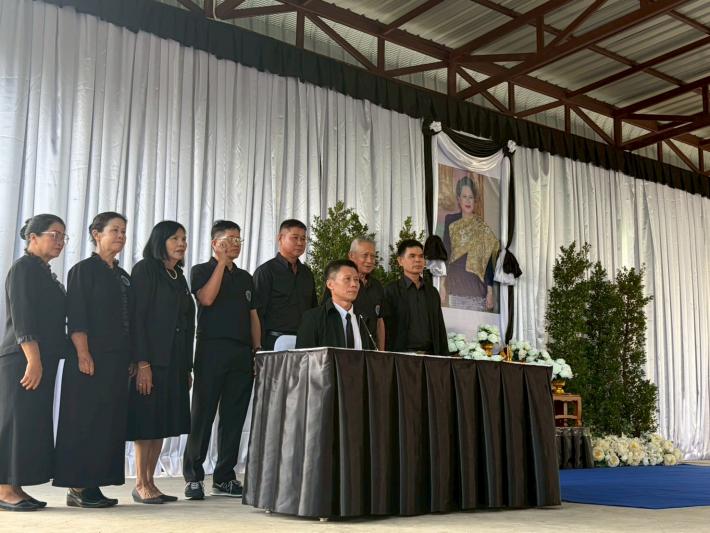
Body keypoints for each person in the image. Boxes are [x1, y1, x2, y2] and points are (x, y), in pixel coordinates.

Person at [53, 212, 132, 508]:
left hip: (116, 360)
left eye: (123, 231)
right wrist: (83, 353)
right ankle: (77, 486)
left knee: (107, 423)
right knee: (84, 421)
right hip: (89, 358)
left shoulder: (123, 276)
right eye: (115, 230)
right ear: (97, 234)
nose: (121, 236)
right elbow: (77, 315)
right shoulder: (82, 271)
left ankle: (94, 483)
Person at [183, 220, 261, 500]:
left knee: (234, 416)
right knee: (202, 415)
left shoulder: (246, 278)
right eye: (230, 239)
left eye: (239, 239)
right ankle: (194, 477)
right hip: (211, 349)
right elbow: (206, 299)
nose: (236, 244)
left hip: (241, 352)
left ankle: (225, 476)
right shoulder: (201, 270)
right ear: (215, 243)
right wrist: (221, 263)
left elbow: (253, 316)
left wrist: (257, 350)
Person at [0, 214, 70, 511]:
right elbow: (23, 316)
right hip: (22, 359)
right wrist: (33, 360)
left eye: (63, 236)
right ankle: (4, 489)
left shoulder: (44, 273)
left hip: (41, 359)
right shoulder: (23, 268)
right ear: (33, 238)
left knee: (30, 422)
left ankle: (15, 485)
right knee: (14, 421)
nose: (60, 241)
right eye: (54, 234)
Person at [127, 221, 195, 504]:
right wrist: (143, 363)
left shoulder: (178, 276)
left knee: (162, 422)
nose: (181, 243)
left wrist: (187, 366)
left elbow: (186, 323)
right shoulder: (146, 269)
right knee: (147, 423)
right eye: (174, 238)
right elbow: (138, 318)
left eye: (184, 238)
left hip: (175, 362)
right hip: (152, 361)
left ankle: (151, 481)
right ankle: (140, 483)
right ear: (160, 241)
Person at [253, 219, 317, 350]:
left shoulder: (307, 273)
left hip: (304, 342)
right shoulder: (266, 272)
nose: (300, 243)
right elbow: (257, 313)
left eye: (303, 239)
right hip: (273, 342)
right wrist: (257, 346)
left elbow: (313, 310)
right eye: (295, 238)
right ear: (280, 238)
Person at [442, 176, 499, 312]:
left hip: (477, 288)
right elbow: (446, 253)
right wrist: (442, 285)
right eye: (464, 197)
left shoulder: (482, 227)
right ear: (458, 199)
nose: (468, 201)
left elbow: (488, 264)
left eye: (471, 197)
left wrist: (490, 292)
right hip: (455, 285)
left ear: (475, 201)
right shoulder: (450, 222)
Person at [382, 239, 448, 355]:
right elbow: (384, 329)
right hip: (401, 357)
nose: (417, 260)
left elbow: (440, 328)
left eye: (421, 256)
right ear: (400, 261)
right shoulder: (391, 291)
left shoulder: (432, 292)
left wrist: (444, 357)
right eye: (412, 256)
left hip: (430, 357)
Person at [296, 260, 375, 350]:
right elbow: (303, 357)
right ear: (330, 284)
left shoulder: (364, 319)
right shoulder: (313, 319)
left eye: (356, 280)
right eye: (347, 279)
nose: (354, 284)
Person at [347, 237, 385, 351]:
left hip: (371, 351)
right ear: (351, 256)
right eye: (365, 255)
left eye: (373, 256)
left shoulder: (377, 286)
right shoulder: (341, 283)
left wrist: (381, 352)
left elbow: (379, 321)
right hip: (347, 350)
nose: (369, 261)